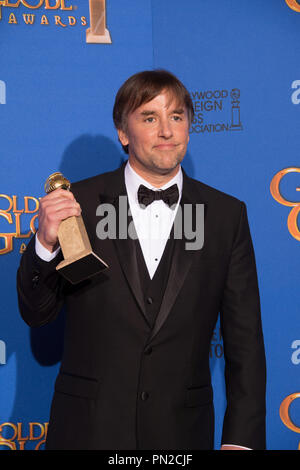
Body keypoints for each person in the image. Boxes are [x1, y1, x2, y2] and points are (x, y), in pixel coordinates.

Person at [17, 70, 266, 450]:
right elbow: (37, 313)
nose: (166, 131)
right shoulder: (78, 205)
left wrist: (242, 441)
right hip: (88, 432)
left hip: (183, 435)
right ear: (123, 132)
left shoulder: (225, 215)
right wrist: (45, 245)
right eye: (150, 118)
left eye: (177, 117)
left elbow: (245, 340)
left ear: (189, 127)